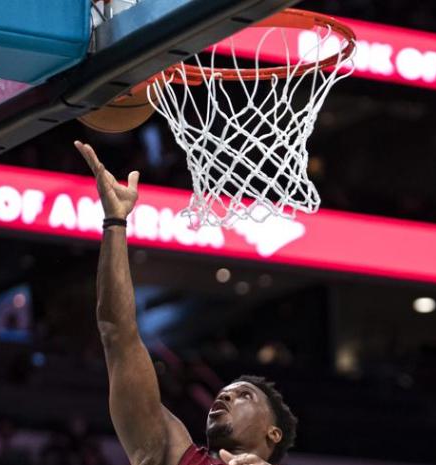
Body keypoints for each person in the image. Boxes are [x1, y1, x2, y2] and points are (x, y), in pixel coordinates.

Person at [74, 141, 298, 465]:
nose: (226, 395)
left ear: (272, 434)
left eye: (244, 395)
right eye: (228, 392)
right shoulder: (171, 450)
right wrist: (115, 222)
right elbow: (117, 332)